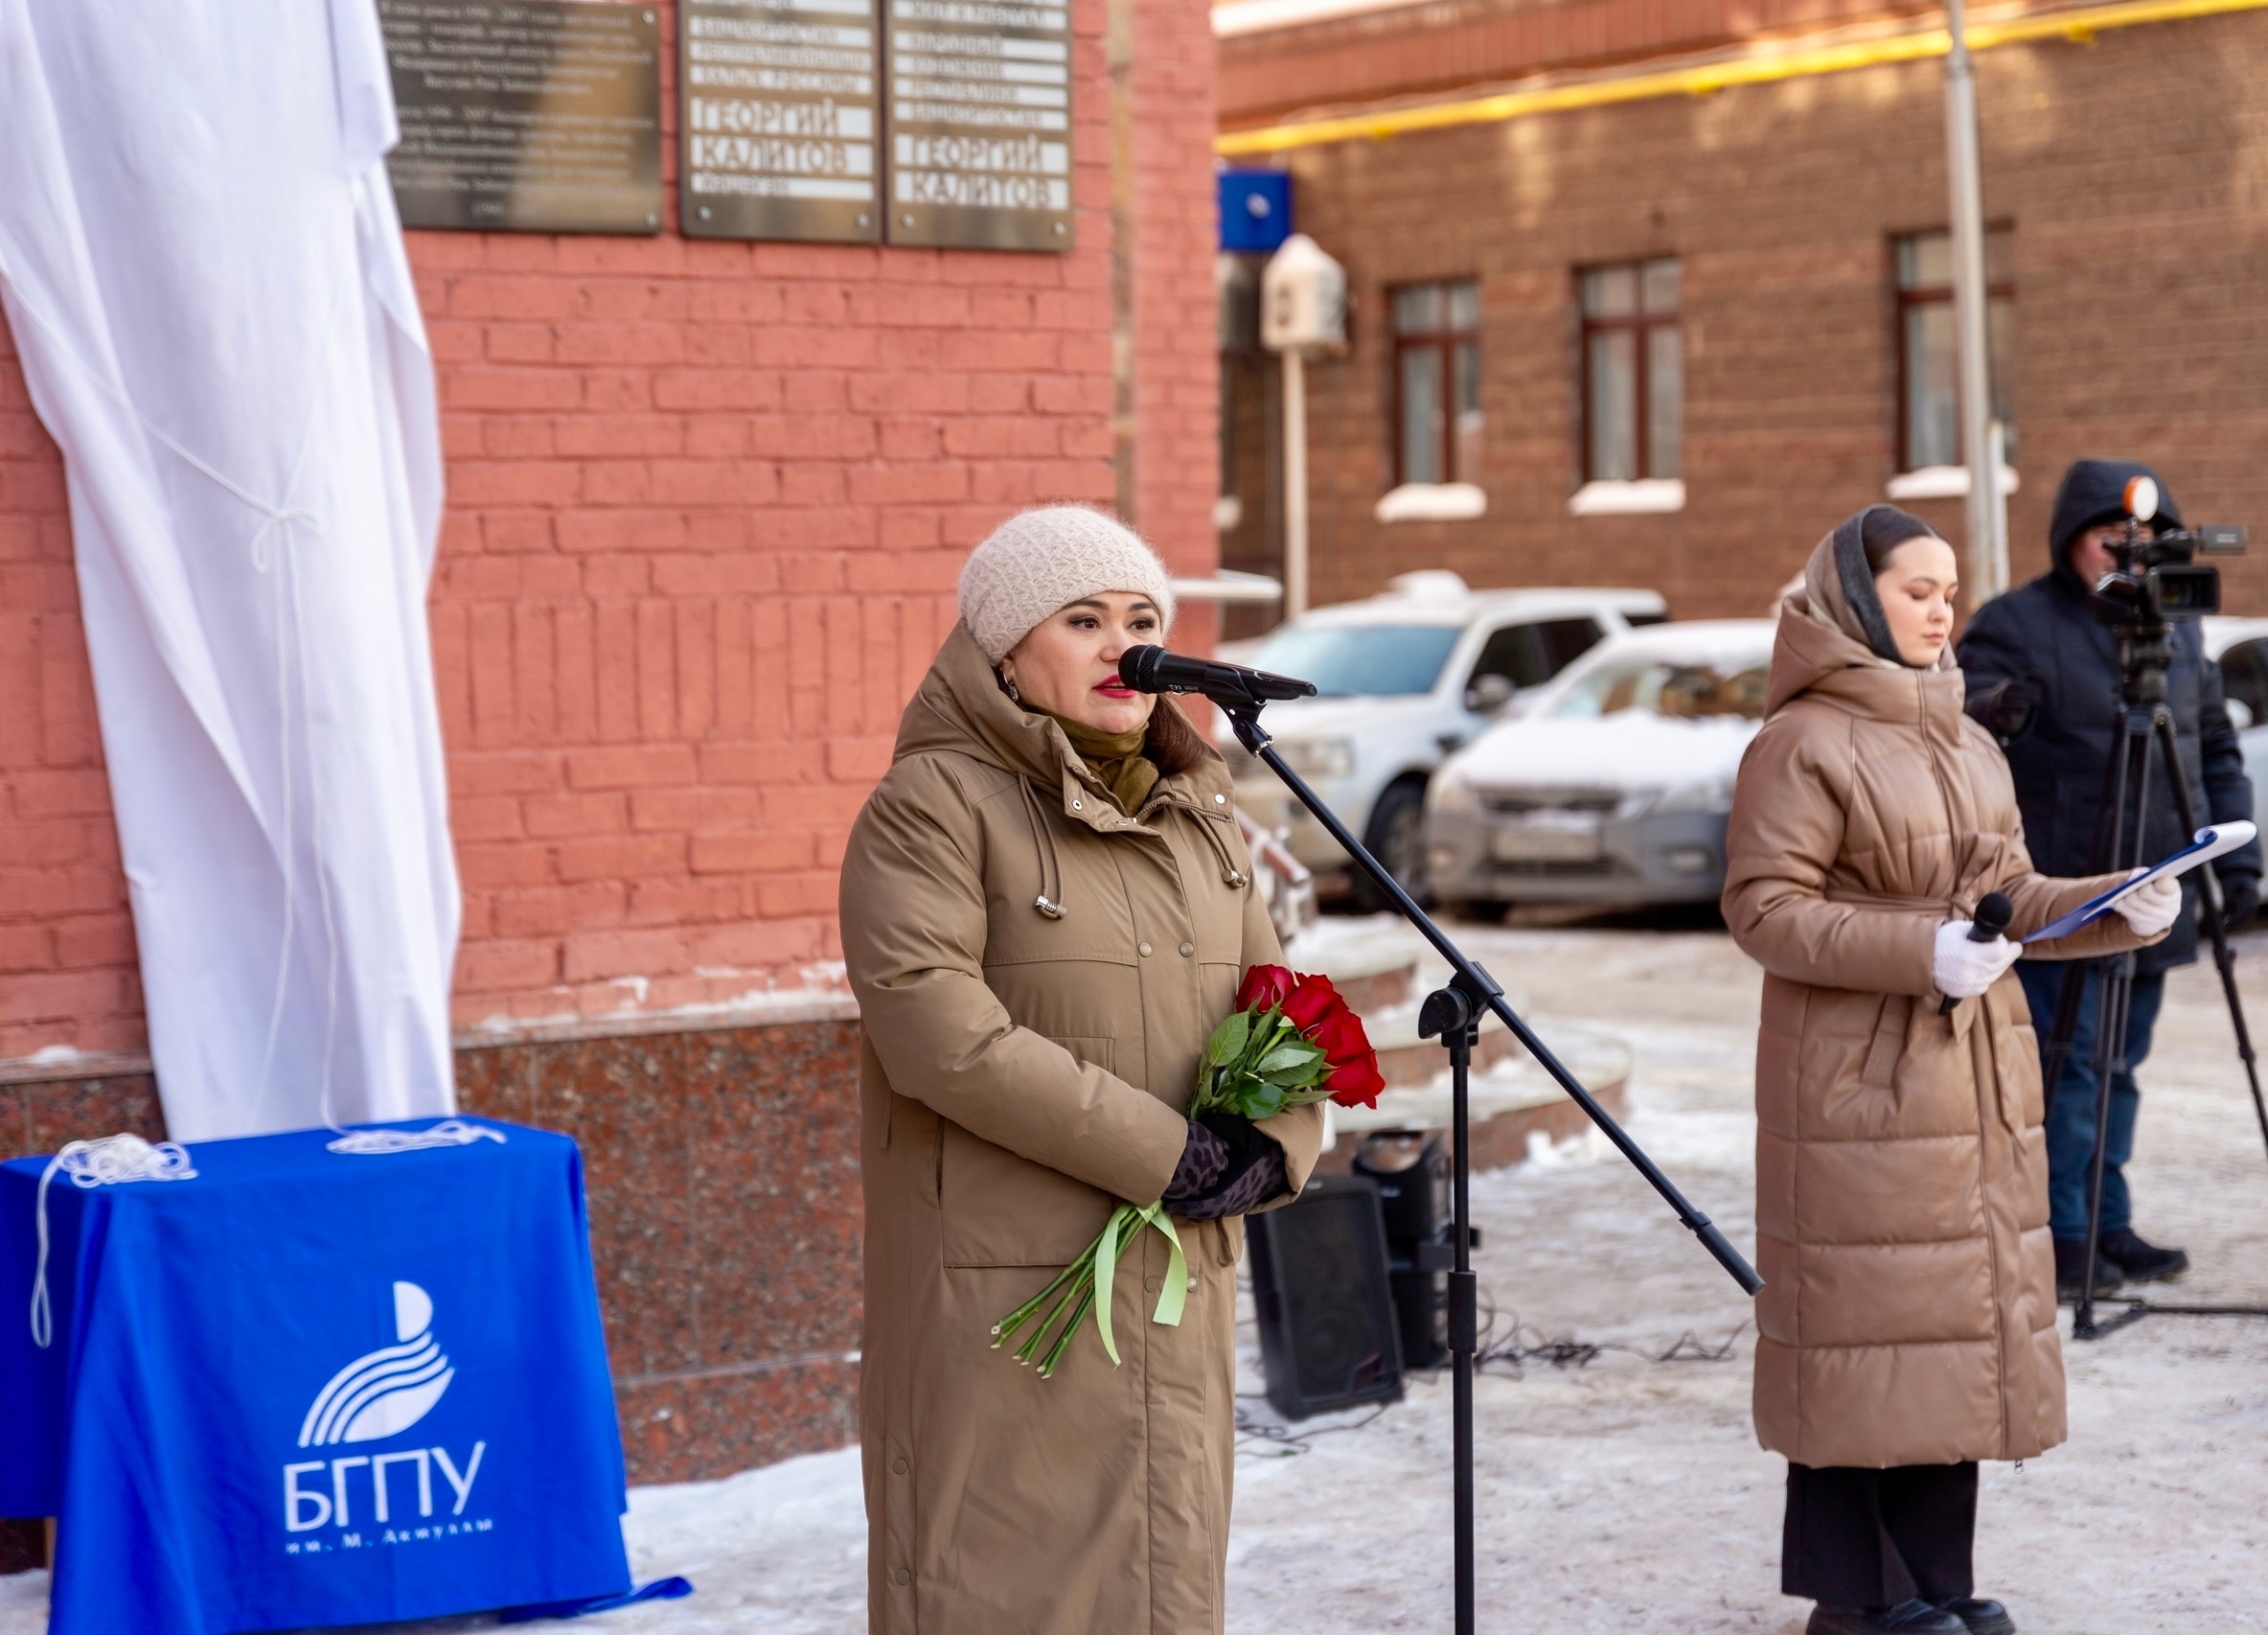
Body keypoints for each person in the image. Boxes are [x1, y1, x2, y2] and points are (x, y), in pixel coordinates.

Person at [838, 506, 1326, 1635]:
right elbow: (941, 1032)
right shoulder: (933, 805)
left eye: (1143, 620)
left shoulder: (1201, 811)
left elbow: (1285, 1004)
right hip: (1013, 1301)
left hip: (1176, 1285)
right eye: (1084, 619)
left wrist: (1278, 1141)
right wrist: (1169, 1153)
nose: (1124, 645)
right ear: (1005, 650)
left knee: (1164, 1583)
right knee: (1007, 1590)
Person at [1723, 506, 2178, 1635]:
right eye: (1916, 589)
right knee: (1859, 1332)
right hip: (1856, 1081)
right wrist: (1920, 948)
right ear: (1856, 597)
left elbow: (2007, 895)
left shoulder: (1968, 738)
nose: (1941, 610)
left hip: (1971, 1072)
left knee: (1950, 1328)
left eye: (1949, 590)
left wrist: (2119, 900)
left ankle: (1932, 1577)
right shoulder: (1801, 740)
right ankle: (1855, 1598)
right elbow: (1764, 908)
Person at [1959, 459, 2260, 1295]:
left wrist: (2237, 862)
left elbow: (2212, 744)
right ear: (2069, 539)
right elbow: (1955, 718)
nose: (2127, 553)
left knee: (2120, 1066)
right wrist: (1996, 709)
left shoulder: (2175, 627)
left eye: (2147, 538)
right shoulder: (2015, 622)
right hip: (2070, 889)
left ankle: (2107, 1220)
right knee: (2070, 1068)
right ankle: (2061, 1233)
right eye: (2109, 536)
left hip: (2156, 886)